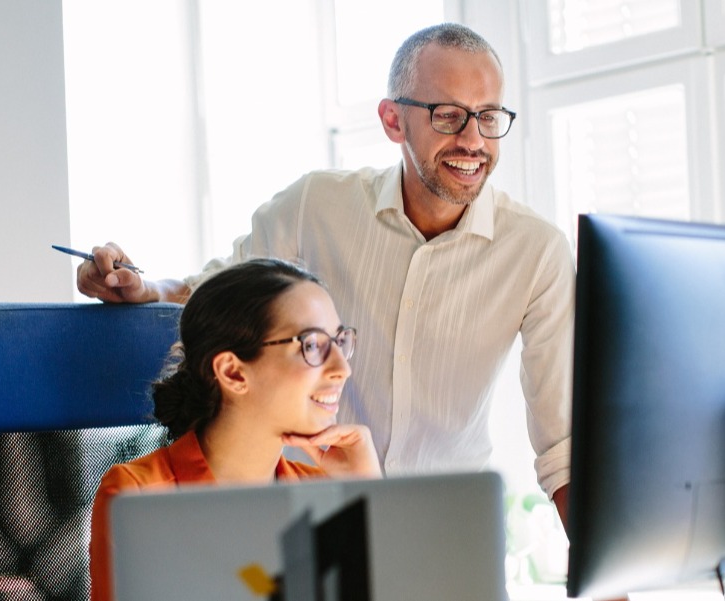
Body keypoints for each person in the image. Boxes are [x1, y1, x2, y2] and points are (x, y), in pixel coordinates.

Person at [76, 23, 575, 524]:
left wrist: (599, 563)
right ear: (393, 120)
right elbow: (223, 287)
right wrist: (146, 288)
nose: (473, 140)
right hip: (308, 514)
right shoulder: (317, 204)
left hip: (444, 528)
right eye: (448, 116)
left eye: (488, 117)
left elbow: (564, 448)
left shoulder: (537, 251)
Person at [87, 258, 381, 601]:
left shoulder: (320, 492)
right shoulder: (139, 498)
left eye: (340, 342)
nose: (343, 368)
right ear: (233, 372)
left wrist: (369, 495)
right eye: (312, 345)